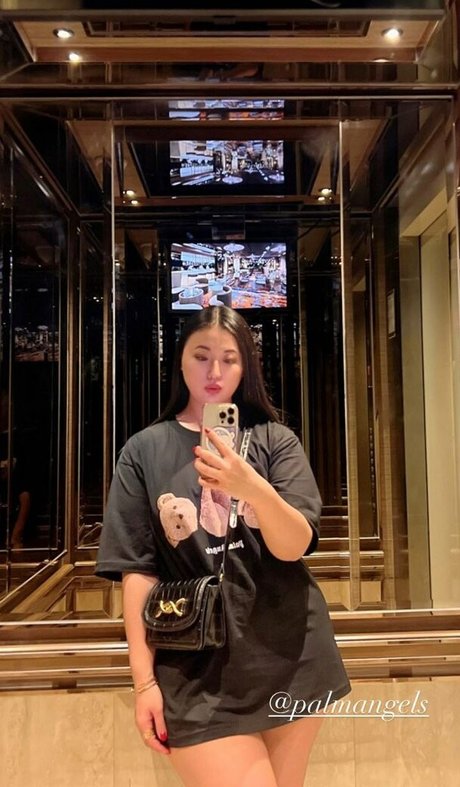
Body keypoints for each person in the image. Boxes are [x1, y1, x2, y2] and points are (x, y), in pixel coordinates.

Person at [95, 306, 350, 787]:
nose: (214, 371)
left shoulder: (275, 441)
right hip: (195, 670)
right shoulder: (144, 451)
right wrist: (143, 682)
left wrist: (252, 488)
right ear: (180, 361)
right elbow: (138, 572)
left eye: (229, 359)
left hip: (291, 656)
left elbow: (294, 546)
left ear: (245, 367)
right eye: (201, 356)